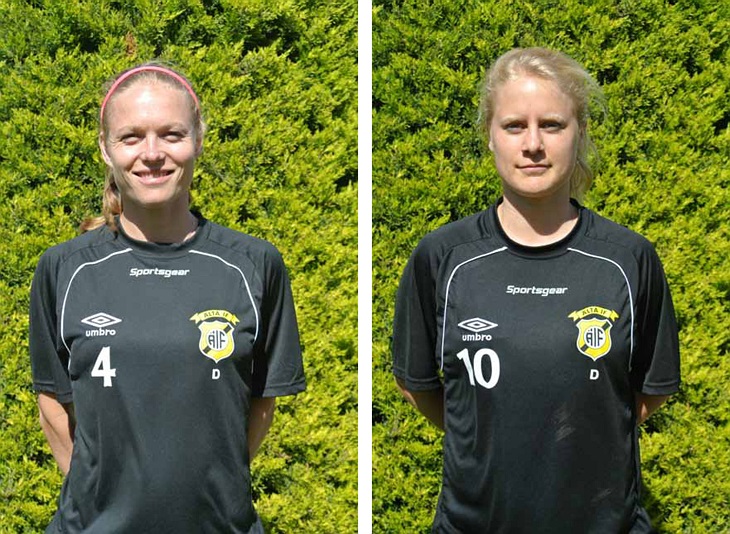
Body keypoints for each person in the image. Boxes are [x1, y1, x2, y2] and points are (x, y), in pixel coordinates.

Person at [392, 47, 680, 533]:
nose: (533, 144)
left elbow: (650, 391)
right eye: (513, 126)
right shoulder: (442, 258)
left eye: (551, 125)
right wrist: (488, 438)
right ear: (490, 136)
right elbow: (416, 384)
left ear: (579, 133)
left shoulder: (628, 259)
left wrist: (579, 438)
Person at [29, 63, 305, 533]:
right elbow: (52, 401)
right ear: (105, 148)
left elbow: (260, 403)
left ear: (198, 140)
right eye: (131, 137)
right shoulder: (63, 269)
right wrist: (102, 498)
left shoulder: (254, 265)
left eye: (171, 134)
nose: (152, 153)